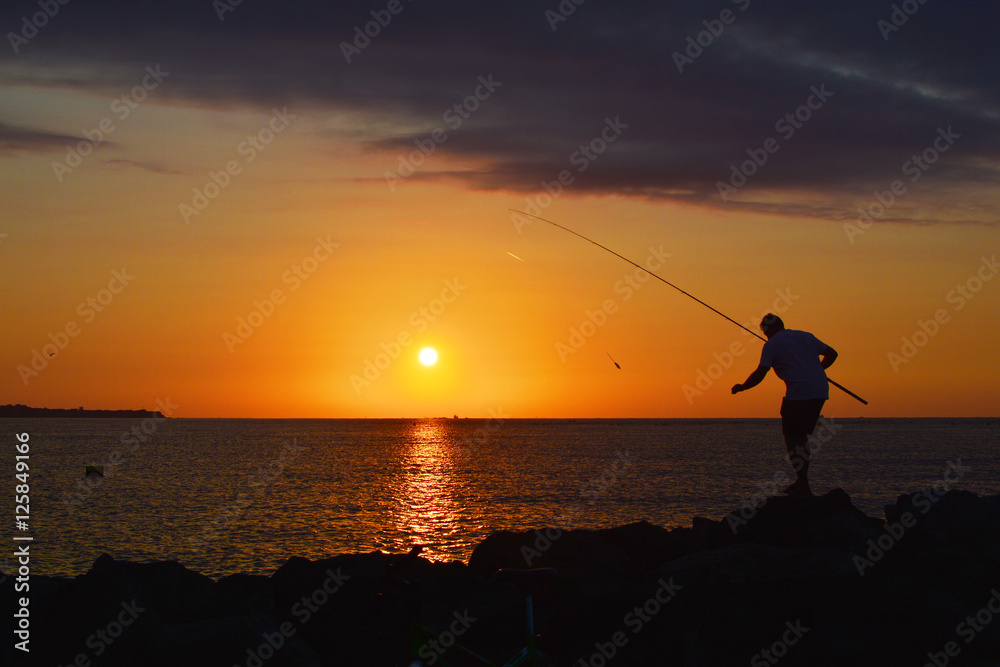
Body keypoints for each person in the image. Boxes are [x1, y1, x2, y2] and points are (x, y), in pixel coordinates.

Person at [731, 314, 837, 496]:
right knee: (801, 437)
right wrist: (816, 370)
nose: (763, 334)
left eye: (764, 330)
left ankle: (803, 485)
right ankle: (802, 482)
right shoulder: (805, 336)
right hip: (820, 391)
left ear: (770, 328)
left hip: (799, 394)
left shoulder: (770, 345)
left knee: (793, 439)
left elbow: (761, 372)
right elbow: (832, 354)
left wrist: (742, 387)